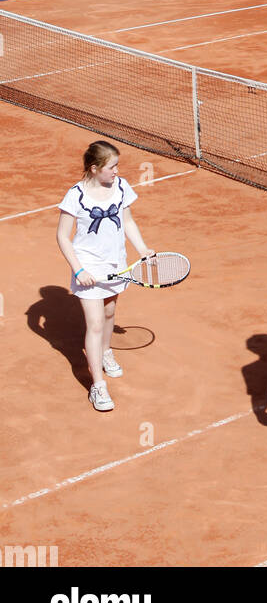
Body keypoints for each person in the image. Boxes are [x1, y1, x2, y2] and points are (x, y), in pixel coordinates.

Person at [56, 141, 153, 412]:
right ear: (95, 168)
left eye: (117, 165)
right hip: (87, 267)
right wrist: (79, 270)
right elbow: (62, 236)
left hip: (115, 263)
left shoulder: (121, 188)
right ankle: (98, 386)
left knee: (110, 314)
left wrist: (142, 249)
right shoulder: (75, 195)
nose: (116, 171)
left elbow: (129, 222)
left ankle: (106, 352)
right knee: (96, 324)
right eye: (112, 167)